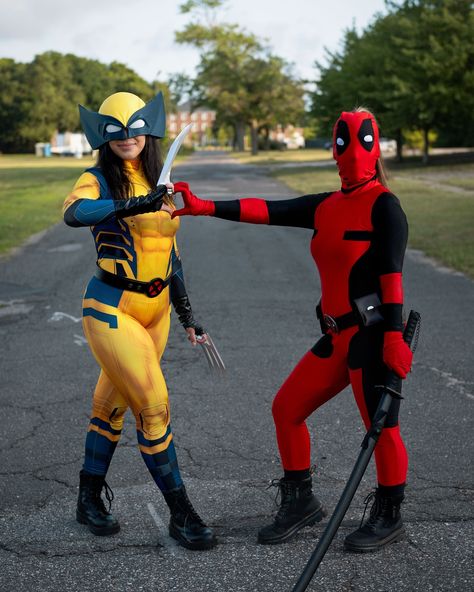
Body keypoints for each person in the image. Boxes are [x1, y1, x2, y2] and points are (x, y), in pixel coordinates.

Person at [170, 108, 413, 552]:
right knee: (286, 409)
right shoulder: (328, 204)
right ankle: (301, 502)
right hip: (335, 336)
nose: (350, 155)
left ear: (374, 149)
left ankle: (389, 514)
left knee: (380, 428)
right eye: (341, 144)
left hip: (371, 336)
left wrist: (394, 335)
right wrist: (205, 207)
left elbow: (392, 276)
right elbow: (268, 209)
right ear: (332, 149)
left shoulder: (385, 206)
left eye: (360, 143)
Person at [63, 91, 217, 551]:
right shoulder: (97, 179)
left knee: (110, 407)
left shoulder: (161, 180)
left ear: (148, 130)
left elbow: (172, 254)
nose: (127, 138)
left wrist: (188, 313)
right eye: (116, 131)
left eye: (134, 129)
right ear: (103, 135)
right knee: (153, 406)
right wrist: (137, 204)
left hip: (158, 311)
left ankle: (88, 500)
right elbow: (74, 213)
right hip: (111, 308)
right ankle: (182, 515)